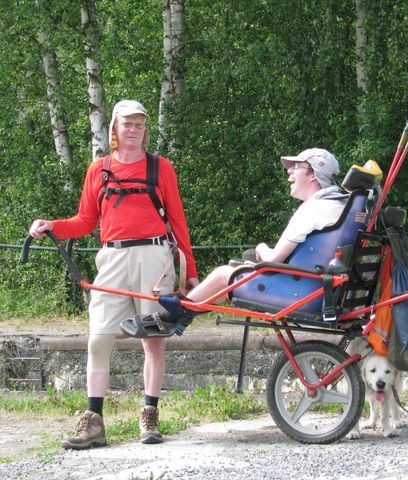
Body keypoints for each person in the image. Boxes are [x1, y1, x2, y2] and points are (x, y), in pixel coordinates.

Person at [29, 100, 199, 449]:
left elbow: (178, 220)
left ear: (145, 130)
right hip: (113, 258)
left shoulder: (160, 167)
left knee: (153, 339)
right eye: (127, 124)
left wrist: (190, 272)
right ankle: (93, 421)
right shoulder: (98, 169)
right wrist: (52, 226)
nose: (134, 130)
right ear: (114, 130)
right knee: (99, 338)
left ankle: (149, 415)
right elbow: (85, 221)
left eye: (139, 124)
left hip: (154, 257)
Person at [122, 147, 345, 335]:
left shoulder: (313, 209)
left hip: (301, 292)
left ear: (313, 174)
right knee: (232, 272)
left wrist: (260, 248)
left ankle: (171, 317)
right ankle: (180, 317)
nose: (289, 171)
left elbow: (275, 257)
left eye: (296, 167)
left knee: (223, 274)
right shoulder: (339, 205)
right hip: (316, 287)